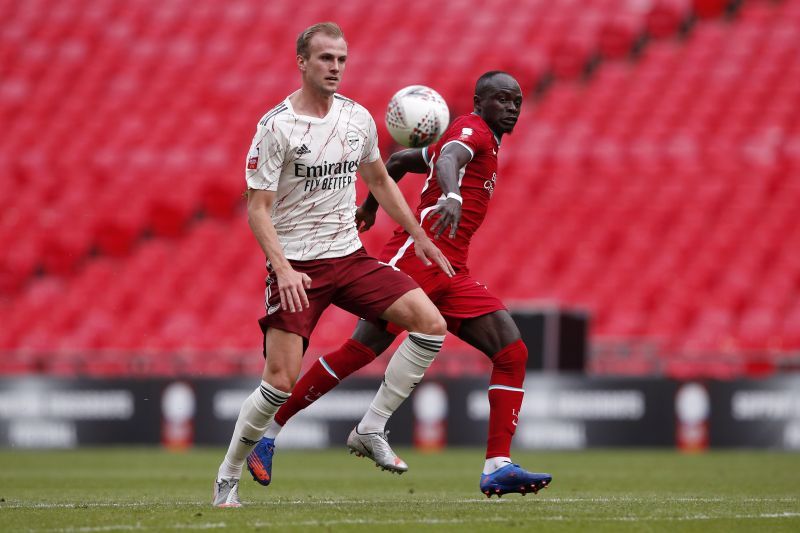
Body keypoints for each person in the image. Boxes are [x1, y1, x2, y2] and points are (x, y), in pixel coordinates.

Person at [246, 71, 553, 498]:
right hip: (415, 256)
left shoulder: (482, 141)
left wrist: (370, 208)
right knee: (361, 350)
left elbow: (400, 162)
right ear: (479, 102)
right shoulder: (472, 130)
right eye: (502, 99)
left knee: (511, 351)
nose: (513, 107)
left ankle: (497, 465)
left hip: (450, 270)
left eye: (517, 101)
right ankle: (271, 433)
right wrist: (452, 196)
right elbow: (449, 160)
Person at [212, 22, 455, 508]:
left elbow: (381, 181)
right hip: (298, 266)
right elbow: (257, 208)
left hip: (349, 256)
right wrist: (281, 268)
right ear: (302, 62)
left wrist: (419, 235)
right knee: (279, 382)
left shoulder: (356, 119)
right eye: (325, 59)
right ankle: (227, 477)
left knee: (430, 325)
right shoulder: (276, 126)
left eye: (341, 59)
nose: (335, 68)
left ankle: (371, 427)